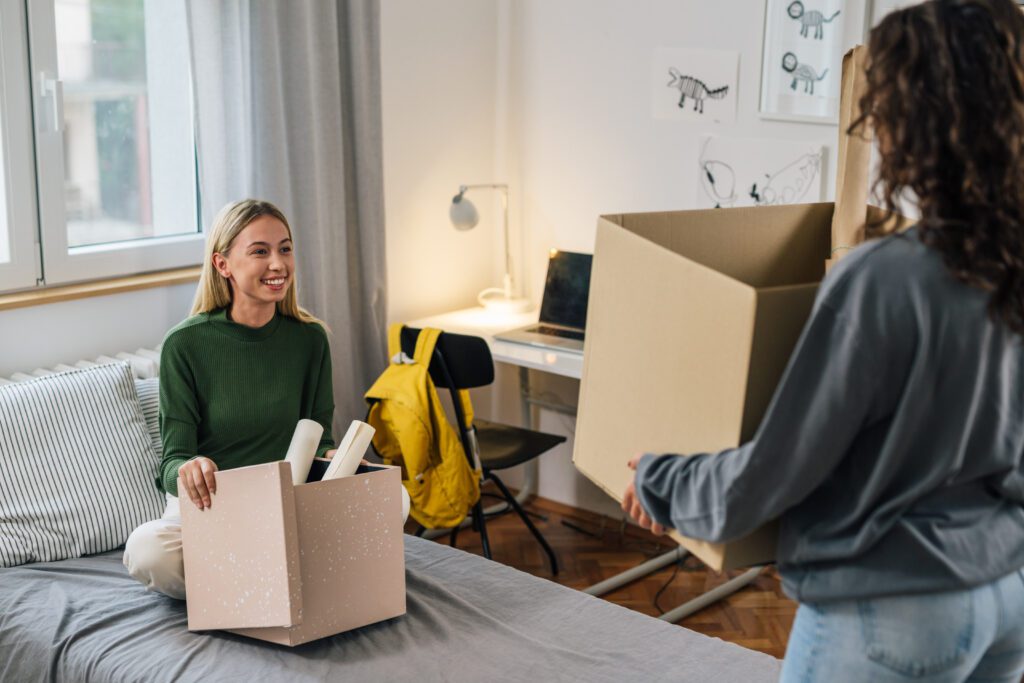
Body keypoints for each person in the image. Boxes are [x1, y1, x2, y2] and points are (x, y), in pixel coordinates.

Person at [622, 1, 1024, 680]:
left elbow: (776, 470)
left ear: (918, 121)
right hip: (1006, 591)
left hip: (894, 607)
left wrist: (660, 478)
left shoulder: (885, 278)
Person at [123, 199, 337, 599]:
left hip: (285, 506)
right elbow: (172, 464)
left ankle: (244, 584)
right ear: (223, 265)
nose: (278, 264)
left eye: (285, 249)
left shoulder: (310, 339)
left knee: (396, 499)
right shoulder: (184, 344)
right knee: (147, 550)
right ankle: (279, 580)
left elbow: (320, 436)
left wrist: (335, 461)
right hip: (212, 510)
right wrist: (192, 469)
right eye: (260, 251)